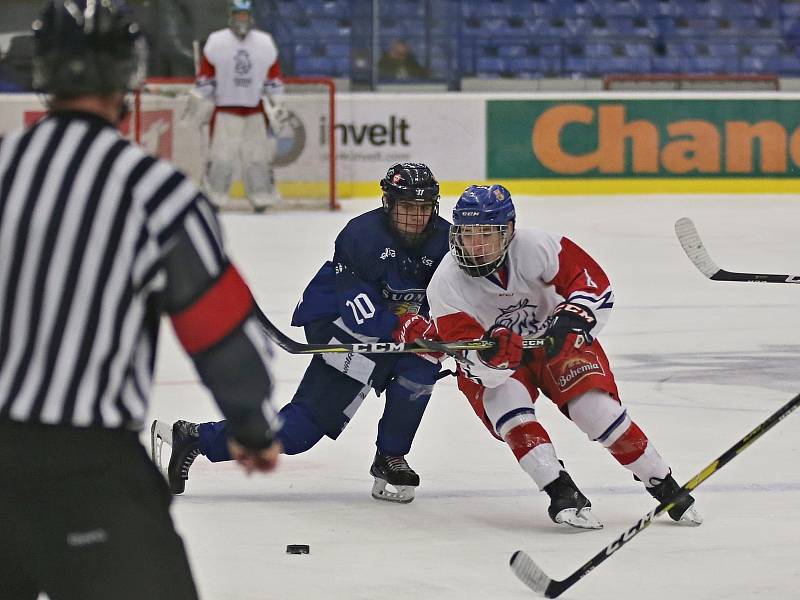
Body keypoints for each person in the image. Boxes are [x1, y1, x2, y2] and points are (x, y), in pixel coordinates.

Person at [0, 2, 282, 599]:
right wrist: (252, 428)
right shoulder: (158, 193)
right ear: (128, 77)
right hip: (87, 468)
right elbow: (220, 330)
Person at [154, 163, 448, 503]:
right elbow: (358, 307)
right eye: (408, 208)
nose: (417, 217)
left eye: (424, 208)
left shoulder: (445, 239)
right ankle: (193, 437)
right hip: (339, 323)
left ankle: (390, 456)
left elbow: (456, 295)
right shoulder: (361, 236)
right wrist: (405, 326)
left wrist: (448, 330)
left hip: (396, 334)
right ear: (389, 203)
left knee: (421, 368)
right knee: (298, 433)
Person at [426, 184, 703, 529]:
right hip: (503, 359)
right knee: (511, 415)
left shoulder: (537, 247)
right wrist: (491, 358)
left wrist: (572, 318)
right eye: (467, 234)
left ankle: (663, 483)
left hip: (553, 343)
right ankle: (561, 492)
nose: (476, 245)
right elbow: (467, 355)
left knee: (597, 412)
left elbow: (592, 284)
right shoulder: (445, 283)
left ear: (509, 230)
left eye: (487, 233)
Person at [187, 0, 288, 211]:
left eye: (245, 14)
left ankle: (261, 199)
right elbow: (206, 77)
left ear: (251, 16)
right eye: (238, 14)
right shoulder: (216, 41)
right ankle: (214, 199)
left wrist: (277, 102)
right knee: (221, 160)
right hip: (225, 111)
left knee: (258, 161)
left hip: (255, 111)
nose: (242, 19)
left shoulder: (265, 42)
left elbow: (273, 79)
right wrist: (199, 96)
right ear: (231, 16)